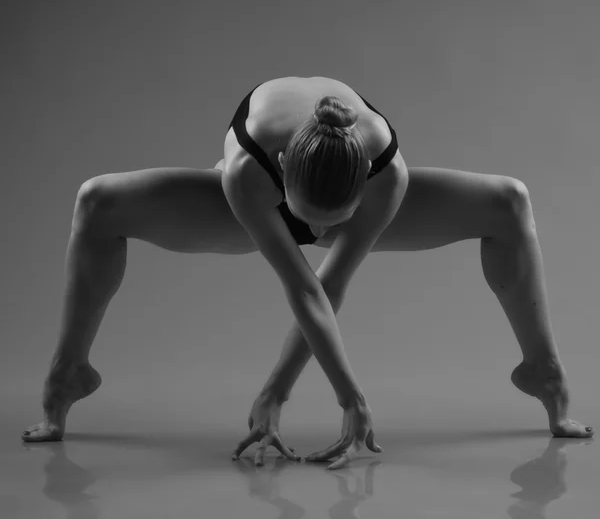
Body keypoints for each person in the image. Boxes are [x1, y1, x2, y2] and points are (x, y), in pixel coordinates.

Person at [21, 76, 593, 470]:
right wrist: (343, 396)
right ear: (286, 167)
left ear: (367, 177)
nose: (316, 236)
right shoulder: (248, 171)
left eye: (333, 224)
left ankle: (543, 371)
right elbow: (300, 285)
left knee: (509, 203)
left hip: (329, 195)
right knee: (97, 202)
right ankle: (67, 373)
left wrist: (287, 394)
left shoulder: (387, 177)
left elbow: (329, 283)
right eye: (306, 221)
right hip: (251, 207)